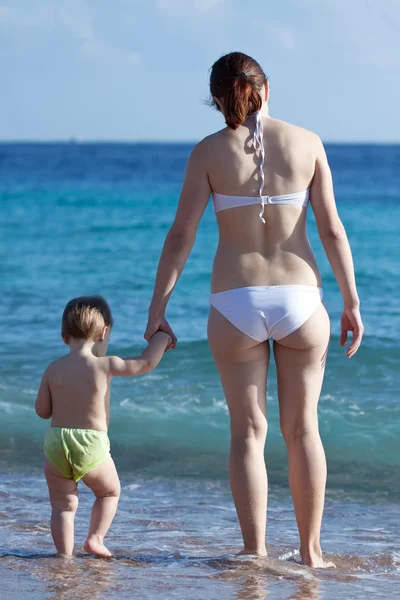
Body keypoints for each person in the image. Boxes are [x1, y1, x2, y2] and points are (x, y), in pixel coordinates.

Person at [145, 52, 364, 567]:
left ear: (219, 99)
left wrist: (158, 307)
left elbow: (182, 236)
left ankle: (254, 552)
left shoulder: (207, 152)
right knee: (303, 429)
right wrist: (352, 301)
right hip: (302, 299)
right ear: (267, 88)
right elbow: (332, 230)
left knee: (247, 432)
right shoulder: (307, 142)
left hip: (234, 300)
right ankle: (311, 554)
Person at [35, 295, 171, 558]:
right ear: (103, 332)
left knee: (63, 506)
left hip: (56, 443)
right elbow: (145, 363)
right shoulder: (104, 365)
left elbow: (42, 411)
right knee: (109, 492)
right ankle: (95, 539)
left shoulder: (53, 369)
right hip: (90, 444)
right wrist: (162, 338)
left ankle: (64, 557)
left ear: (64, 336)